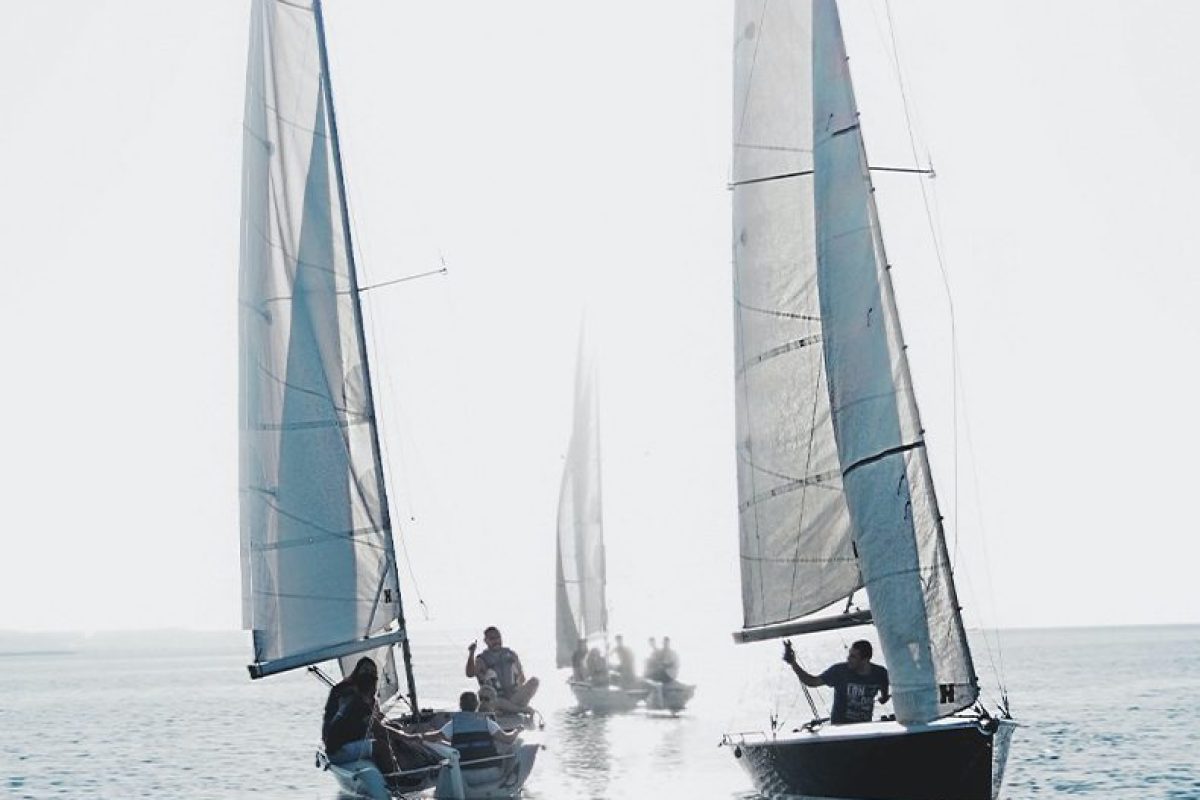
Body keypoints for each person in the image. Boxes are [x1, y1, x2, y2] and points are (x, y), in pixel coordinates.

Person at [321, 657, 435, 774]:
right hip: (338, 750)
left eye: (372, 674)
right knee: (380, 746)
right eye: (366, 672)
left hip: (351, 738)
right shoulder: (352, 697)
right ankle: (396, 778)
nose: (369, 677)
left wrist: (396, 730)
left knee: (393, 729)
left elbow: (374, 721)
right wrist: (407, 736)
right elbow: (377, 728)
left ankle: (405, 765)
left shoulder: (358, 693)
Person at [783, 638, 890, 725]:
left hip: (863, 728)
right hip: (839, 728)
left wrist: (883, 698)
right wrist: (793, 663)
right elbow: (812, 681)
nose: (848, 658)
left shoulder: (880, 673)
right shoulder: (839, 671)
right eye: (849, 654)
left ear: (865, 659)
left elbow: (884, 697)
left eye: (853, 656)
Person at [432, 691, 523, 766]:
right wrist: (517, 730)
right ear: (477, 704)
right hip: (488, 769)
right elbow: (508, 739)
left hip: (463, 771)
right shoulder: (486, 721)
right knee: (515, 744)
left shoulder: (454, 723)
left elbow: (436, 737)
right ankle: (508, 779)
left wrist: (422, 736)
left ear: (460, 705)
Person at [465, 626, 540, 713]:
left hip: (513, 697)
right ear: (486, 641)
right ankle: (519, 709)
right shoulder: (481, 659)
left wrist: (516, 688)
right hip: (495, 700)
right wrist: (471, 653)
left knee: (535, 681)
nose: (496, 641)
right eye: (492, 639)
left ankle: (511, 708)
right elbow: (469, 674)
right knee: (488, 696)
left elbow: (522, 678)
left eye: (498, 638)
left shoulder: (511, 654)